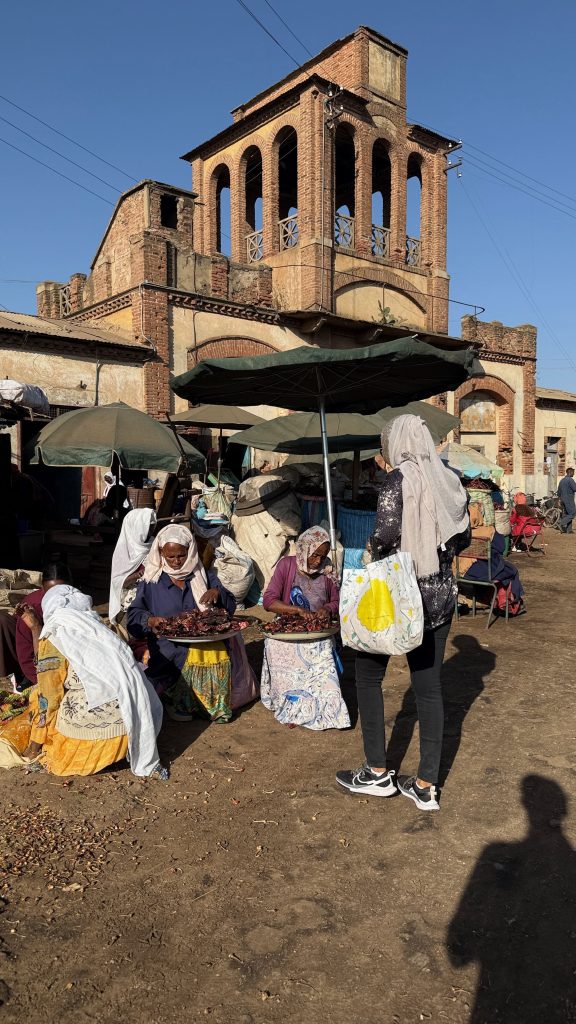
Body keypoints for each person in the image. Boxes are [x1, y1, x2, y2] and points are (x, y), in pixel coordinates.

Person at [336, 414, 470, 811]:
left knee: (368, 675)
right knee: (429, 689)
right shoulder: (447, 478)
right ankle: (426, 784)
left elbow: (385, 536)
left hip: (400, 599)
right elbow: (461, 534)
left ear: (398, 443)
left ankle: (377, 772)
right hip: (441, 598)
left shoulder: (398, 481)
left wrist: (371, 550)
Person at [5, 585, 167, 779]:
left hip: (93, 740)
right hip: (131, 725)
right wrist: (36, 629)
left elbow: (49, 697)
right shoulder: (102, 630)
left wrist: (34, 746)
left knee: (39, 697)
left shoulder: (54, 637)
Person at [127, 525, 239, 723]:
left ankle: (206, 704)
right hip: (170, 646)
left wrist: (218, 593)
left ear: (190, 551)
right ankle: (177, 698)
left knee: (218, 650)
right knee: (169, 666)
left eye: (181, 555)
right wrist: (150, 620)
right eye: (170, 557)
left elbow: (230, 607)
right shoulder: (152, 580)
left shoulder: (202, 575)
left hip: (205, 642)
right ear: (161, 553)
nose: (177, 562)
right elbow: (134, 616)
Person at [261, 526, 350, 731]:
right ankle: (293, 707)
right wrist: (296, 611)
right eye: (315, 555)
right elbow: (269, 601)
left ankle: (326, 707)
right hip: (288, 625)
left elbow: (338, 601)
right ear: (304, 548)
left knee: (321, 649)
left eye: (323, 555)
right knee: (277, 646)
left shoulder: (328, 571)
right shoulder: (286, 565)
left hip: (318, 629)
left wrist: (326, 609)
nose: (318, 561)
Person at [109, 508, 157, 624]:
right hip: (131, 601)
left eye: (152, 525)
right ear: (136, 527)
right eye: (147, 526)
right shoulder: (123, 551)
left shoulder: (154, 543)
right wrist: (136, 576)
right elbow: (118, 583)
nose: (150, 530)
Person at [557, 467, 576, 534]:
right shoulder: (570, 480)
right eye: (573, 472)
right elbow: (575, 488)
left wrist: (559, 500)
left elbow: (558, 491)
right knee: (572, 513)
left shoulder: (562, 480)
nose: (573, 473)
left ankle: (569, 530)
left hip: (562, 499)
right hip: (569, 499)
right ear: (569, 472)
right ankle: (560, 523)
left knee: (567, 514)